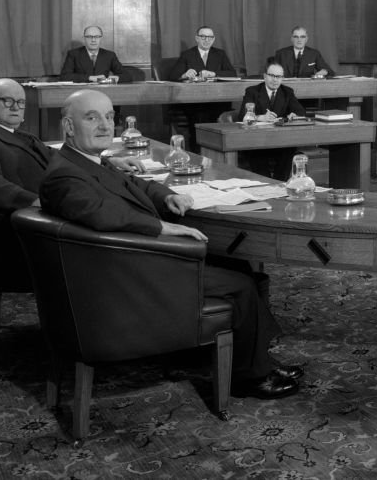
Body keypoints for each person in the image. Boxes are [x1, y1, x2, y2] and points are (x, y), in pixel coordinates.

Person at [39, 89, 301, 399]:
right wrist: (164, 227)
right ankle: (250, 378)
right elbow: (102, 214)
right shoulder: (65, 175)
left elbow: (133, 184)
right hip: (126, 273)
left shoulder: (87, 160)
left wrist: (167, 196)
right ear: (69, 127)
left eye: (109, 117)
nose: (105, 126)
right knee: (241, 284)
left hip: (131, 258)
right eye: (92, 117)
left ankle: (257, 358)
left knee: (236, 262)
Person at [0, 78, 141, 211]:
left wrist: (111, 160)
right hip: (32, 222)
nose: (16, 107)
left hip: (63, 201)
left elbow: (55, 155)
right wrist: (39, 203)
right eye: (7, 101)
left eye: (20, 102)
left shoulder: (23, 136)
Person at [233, 62, 306, 180]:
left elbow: (301, 112)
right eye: (272, 75)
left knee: (289, 148)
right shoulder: (253, 91)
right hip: (257, 141)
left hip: (279, 141)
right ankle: (264, 185)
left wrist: (294, 115)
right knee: (257, 153)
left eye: (279, 77)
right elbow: (242, 115)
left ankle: (279, 184)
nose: (275, 80)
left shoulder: (287, 92)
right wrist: (259, 117)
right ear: (265, 76)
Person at [169, 26, 237, 82]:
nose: (207, 40)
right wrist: (185, 75)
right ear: (197, 38)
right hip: (194, 92)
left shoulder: (220, 54)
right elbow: (173, 76)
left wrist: (213, 74)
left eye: (210, 37)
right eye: (203, 37)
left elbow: (233, 74)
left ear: (213, 39)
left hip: (217, 90)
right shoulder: (187, 54)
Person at [59, 26, 124, 83]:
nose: (93, 40)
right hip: (81, 92)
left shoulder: (109, 55)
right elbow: (65, 76)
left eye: (97, 36)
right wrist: (90, 78)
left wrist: (116, 78)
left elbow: (126, 75)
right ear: (84, 38)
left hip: (103, 92)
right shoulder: (73, 54)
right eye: (89, 37)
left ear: (101, 38)